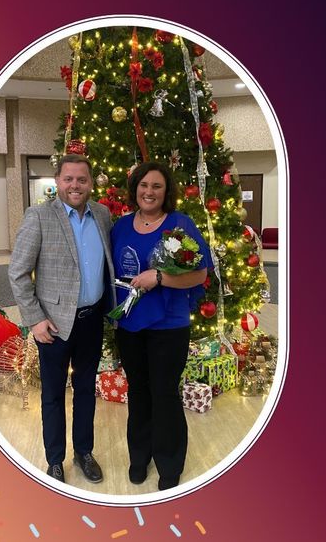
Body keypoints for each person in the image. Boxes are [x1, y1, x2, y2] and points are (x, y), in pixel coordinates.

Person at [8, 154, 115, 484]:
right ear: (57, 181)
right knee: (53, 395)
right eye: (68, 179)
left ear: (91, 183)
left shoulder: (102, 215)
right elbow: (18, 273)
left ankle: (84, 451)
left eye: (82, 179)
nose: (75, 185)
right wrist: (35, 319)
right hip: (52, 325)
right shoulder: (39, 216)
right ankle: (55, 459)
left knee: (85, 390)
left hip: (91, 319)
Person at [111, 162, 212, 491]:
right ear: (135, 189)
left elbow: (200, 275)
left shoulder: (180, 225)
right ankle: (139, 456)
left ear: (166, 191)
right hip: (130, 324)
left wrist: (159, 277)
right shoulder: (120, 227)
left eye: (156, 186)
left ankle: (169, 461)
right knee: (138, 393)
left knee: (165, 394)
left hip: (169, 325)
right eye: (143, 185)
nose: (149, 192)